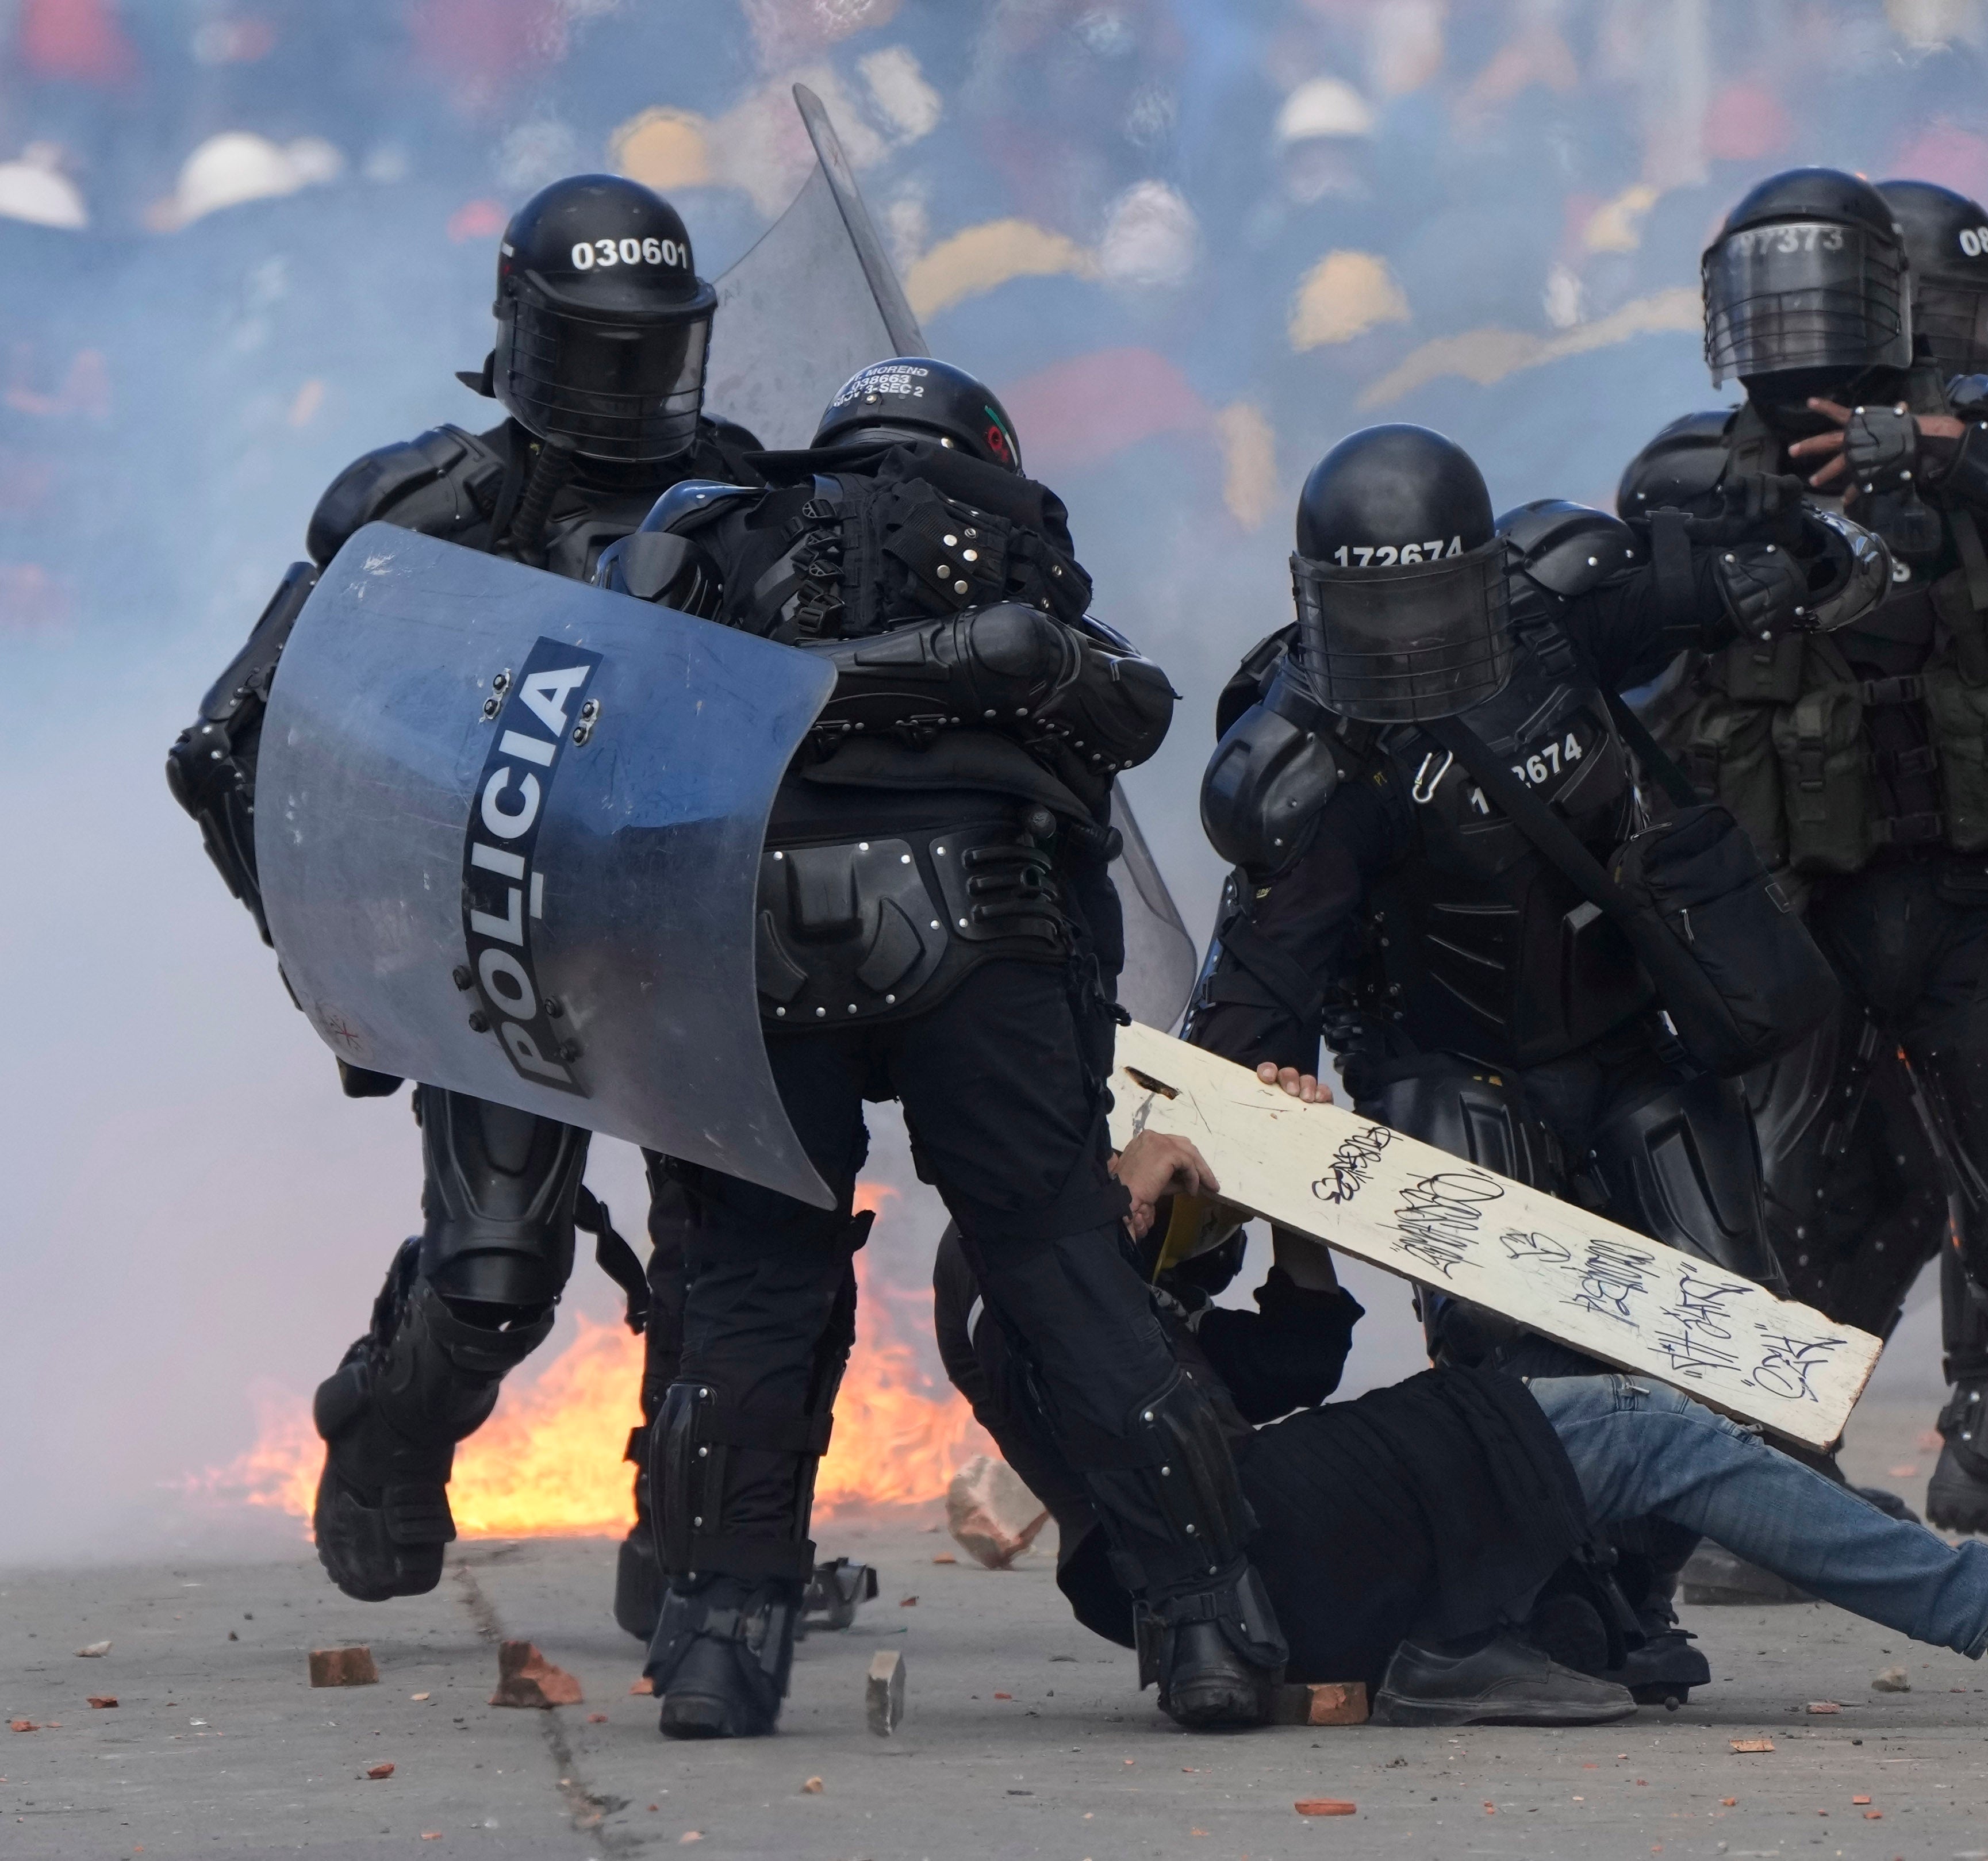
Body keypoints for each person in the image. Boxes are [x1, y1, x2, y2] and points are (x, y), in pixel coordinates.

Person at [592, 355, 1287, 1739]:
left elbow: (604, 703)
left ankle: (721, 1641)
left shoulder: (711, 531)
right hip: (989, 926)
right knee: (1059, 1263)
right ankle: (1209, 1625)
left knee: (753, 1278)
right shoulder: (1015, 541)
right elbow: (1131, 715)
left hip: (754, 931)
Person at [1179, 421, 1883, 1704]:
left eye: (1431, 603)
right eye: (1377, 612)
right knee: (1518, 1364)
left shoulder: (1560, 610)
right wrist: (1219, 1148)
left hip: (1629, 1043)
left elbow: (1757, 570)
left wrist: (1788, 550)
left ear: (1482, 574)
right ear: (1320, 602)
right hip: (1446, 1069)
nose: (1408, 641)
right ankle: (1525, 1615)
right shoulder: (1312, 757)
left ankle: (1624, 1598)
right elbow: (1258, 988)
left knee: (1724, 1330)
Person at [165, 175, 762, 1613]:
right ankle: (383, 1424)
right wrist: (343, 967)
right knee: (494, 1279)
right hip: (503, 937)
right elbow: (232, 746)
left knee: (735, 1266)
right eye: (595, 350)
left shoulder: (750, 490)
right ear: (522, 329)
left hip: (698, 931)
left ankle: (697, 1538)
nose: (624, 385)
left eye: (649, 351)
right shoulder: (427, 509)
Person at [1618, 170, 1988, 1561]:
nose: (1795, 332)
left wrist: (1948, 457)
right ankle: (1765, 1483)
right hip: (1785, 906)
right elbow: (1614, 660)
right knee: (1763, 1209)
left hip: (1971, 891)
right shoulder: (1694, 468)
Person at [942, 1115, 1988, 1725]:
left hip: (1249, 1534)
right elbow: (1082, 1383)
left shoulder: (1059, 1233)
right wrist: (1120, 1206)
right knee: (1643, 1430)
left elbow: (1281, 1365)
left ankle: (1454, 1638)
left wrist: (1287, 1193)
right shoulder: (999, 1259)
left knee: (1638, 1426)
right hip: (1222, 1551)